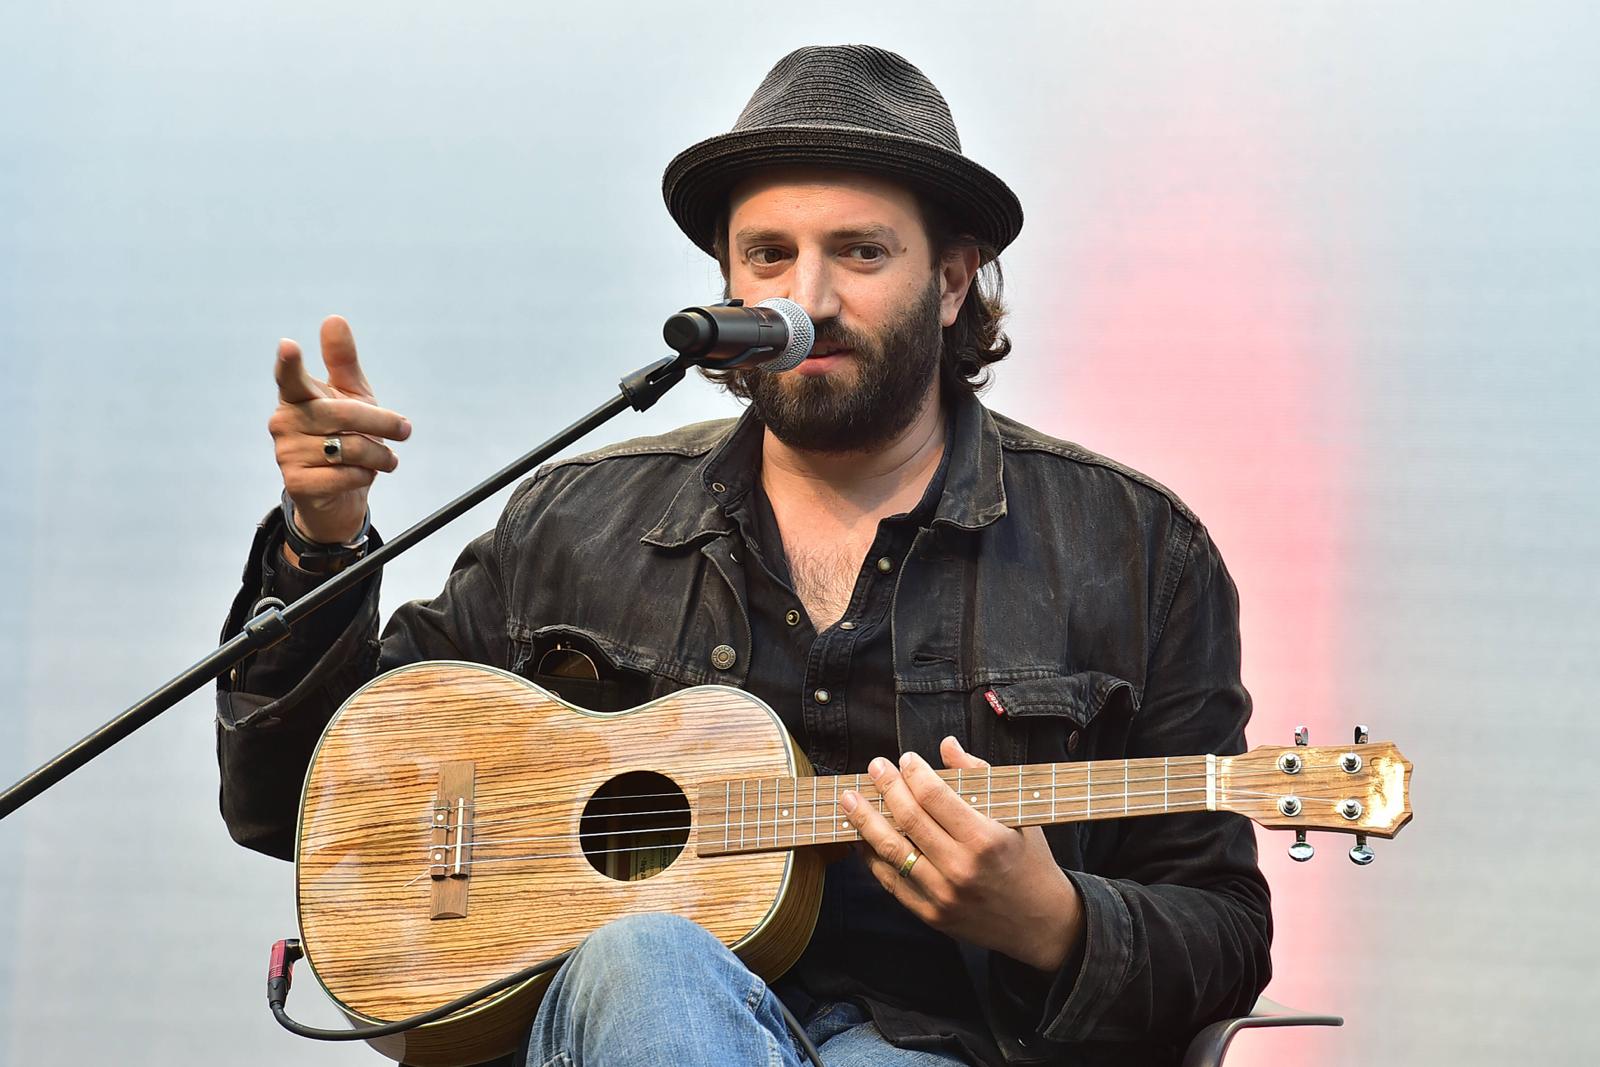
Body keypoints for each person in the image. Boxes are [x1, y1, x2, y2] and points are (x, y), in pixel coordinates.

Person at [217, 44, 1272, 1067]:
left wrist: (1054, 921)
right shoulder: (573, 522)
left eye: (858, 252)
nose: (803, 301)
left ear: (951, 282)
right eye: (768, 256)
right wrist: (324, 544)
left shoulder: (1134, 550)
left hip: (954, 1045)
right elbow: (294, 802)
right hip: (627, 1023)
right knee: (647, 958)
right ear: (726, 288)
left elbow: (1221, 935)